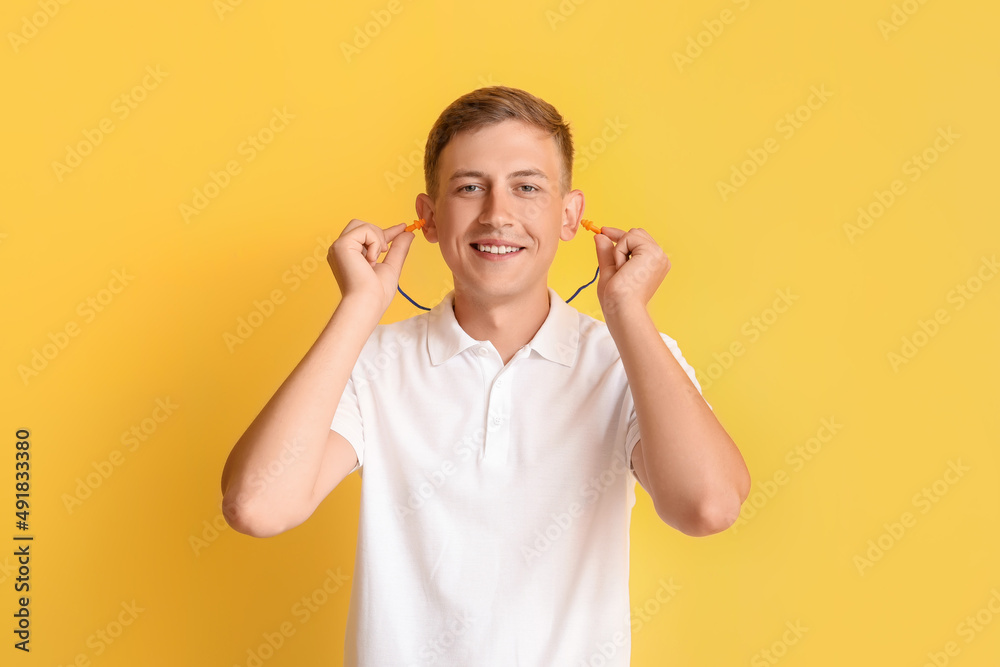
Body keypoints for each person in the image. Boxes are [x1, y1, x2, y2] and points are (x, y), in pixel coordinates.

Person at [220, 85, 751, 666]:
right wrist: (357, 308)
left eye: (527, 187)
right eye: (470, 187)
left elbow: (708, 506)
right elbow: (258, 505)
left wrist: (628, 312)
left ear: (570, 216)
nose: (498, 214)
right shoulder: (371, 362)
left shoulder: (629, 360)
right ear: (427, 218)